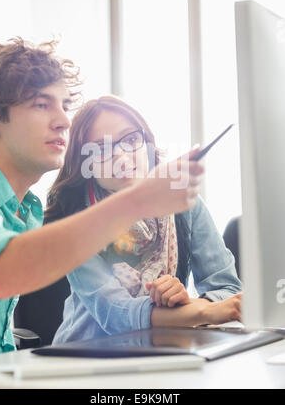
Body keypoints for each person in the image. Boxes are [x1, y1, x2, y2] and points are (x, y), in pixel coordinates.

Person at [0, 38, 205, 355]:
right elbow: (3, 274)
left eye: (64, 105)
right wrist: (138, 200)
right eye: (41, 104)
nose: (64, 121)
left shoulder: (26, 211)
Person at [44, 96, 242, 345]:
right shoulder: (76, 220)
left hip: (166, 351)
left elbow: (227, 289)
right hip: (85, 357)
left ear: (147, 142)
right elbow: (116, 314)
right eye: (101, 150)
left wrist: (182, 300)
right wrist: (202, 311)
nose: (122, 158)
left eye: (130, 140)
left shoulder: (183, 203)